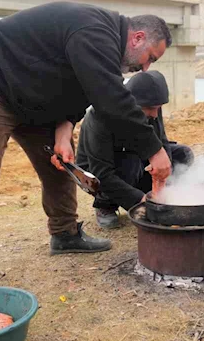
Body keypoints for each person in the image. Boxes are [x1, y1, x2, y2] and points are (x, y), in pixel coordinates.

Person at [0, 2, 173, 293]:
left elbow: (79, 88)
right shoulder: (96, 31)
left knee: (60, 163)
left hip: (26, 94)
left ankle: (65, 234)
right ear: (137, 38)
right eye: (150, 57)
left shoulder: (101, 44)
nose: (145, 68)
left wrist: (64, 131)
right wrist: (155, 150)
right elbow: (110, 99)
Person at [76, 71, 194, 228]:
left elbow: (162, 142)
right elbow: (101, 173)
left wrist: (164, 178)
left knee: (183, 154)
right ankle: (106, 205)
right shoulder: (100, 116)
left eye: (158, 108)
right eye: (150, 108)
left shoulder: (152, 107)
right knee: (130, 162)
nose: (154, 114)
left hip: (134, 159)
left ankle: (157, 197)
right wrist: (140, 200)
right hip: (98, 172)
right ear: (131, 103)